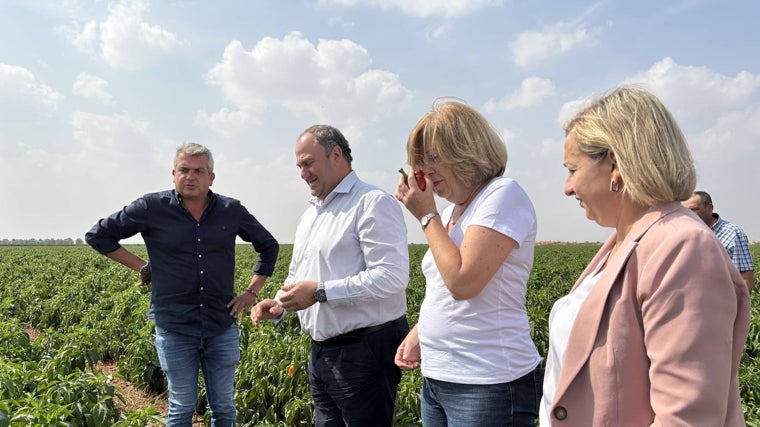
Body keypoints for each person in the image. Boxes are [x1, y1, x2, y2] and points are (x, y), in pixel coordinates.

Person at [539, 86, 750, 426]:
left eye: (573, 169)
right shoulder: (627, 240)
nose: (567, 187)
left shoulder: (682, 248)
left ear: (615, 164)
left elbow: (685, 417)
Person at [86, 142, 279, 427]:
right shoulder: (151, 207)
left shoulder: (231, 210)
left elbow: (269, 246)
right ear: (173, 174)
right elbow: (99, 235)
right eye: (184, 170)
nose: (191, 176)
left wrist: (252, 292)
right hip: (175, 326)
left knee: (224, 407)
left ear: (211, 177)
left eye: (199, 171)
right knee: (181, 406)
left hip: (220, 324)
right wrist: (142, 266)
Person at [394, 98, 543, 426]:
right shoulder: (449, 213)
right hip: (439, 378)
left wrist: (425, 214)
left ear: (467, 150)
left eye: (434, 157)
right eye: (420, 161)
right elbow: (443, 287)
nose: (425, 170)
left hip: (489, 382)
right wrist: (421, 331)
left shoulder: (502, 194)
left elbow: (463, 281)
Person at [250, 125, 410, 427]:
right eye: (299, 166)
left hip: (365, 350)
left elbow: (391, 276)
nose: (303, 173)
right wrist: (280, 305)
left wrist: (320, 292)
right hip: (322, 351)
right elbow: (300, 275)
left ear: (336, 154)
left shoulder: (372, 203)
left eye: (308, 163)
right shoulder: (311, 214)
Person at [683, 191, 755, 292]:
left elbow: (745, 275)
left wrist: (739, 306)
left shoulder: (732, 233)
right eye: (686, 210)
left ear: (710, 207)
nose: (689, 214)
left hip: (723, 301)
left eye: (694, 209)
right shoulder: (684, 233)